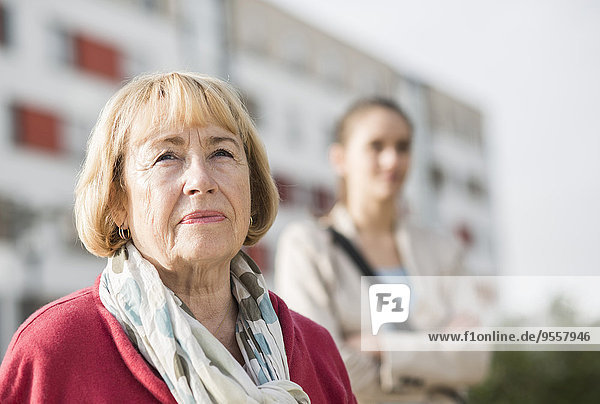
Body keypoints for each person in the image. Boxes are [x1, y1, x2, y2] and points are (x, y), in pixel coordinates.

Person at [0, 72, 356, 404]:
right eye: (166, 156)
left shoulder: (316, 348)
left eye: (222, 153)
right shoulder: (55, 348)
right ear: (118, 202)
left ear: (252, 188)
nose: (201, 180)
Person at [275, 98, 490, 403]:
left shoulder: (442, 251)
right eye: (376, 146)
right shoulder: (307, 245)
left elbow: (474, 360)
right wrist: (436, 357)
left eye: (402, 147)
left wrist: (384, 348)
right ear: (340, 158)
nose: (392, 160)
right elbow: (323, 366)